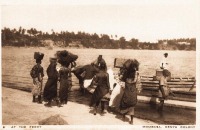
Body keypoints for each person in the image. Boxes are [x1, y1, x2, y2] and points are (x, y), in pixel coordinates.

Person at [119, 59, 140, 124]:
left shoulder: (126, 76)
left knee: (124, 103)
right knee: (132, 106)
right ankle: (131, 120)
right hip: (133, 93)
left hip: (127, 93)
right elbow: (138, 82)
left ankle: (123, 117)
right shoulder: (136, 75)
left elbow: (121, 78)